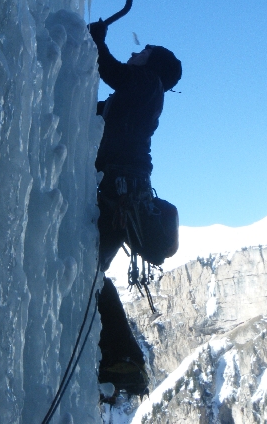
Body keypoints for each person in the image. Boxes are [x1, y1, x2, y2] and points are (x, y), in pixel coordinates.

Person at [88, 19, 182, 397]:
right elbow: (99, 114)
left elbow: (111, 71)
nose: (134, 53)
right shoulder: (137, 96)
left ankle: (124, 356)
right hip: (124, 193)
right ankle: (120, 357)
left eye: (141, 52)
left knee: (87, 273)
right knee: (90, 273)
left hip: (118, 192)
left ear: (151, 63)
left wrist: (97, 41)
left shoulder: (147, 82)